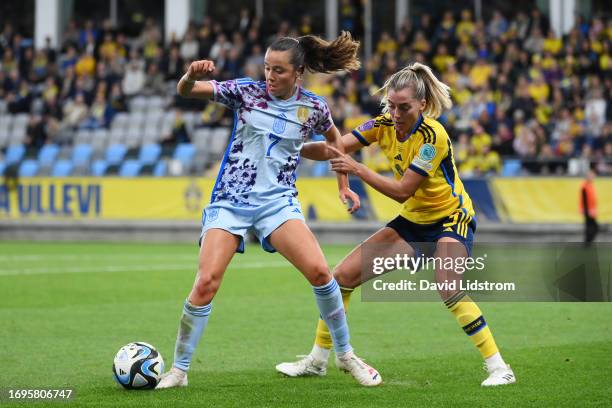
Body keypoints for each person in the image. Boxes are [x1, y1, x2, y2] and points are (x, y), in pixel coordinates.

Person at [156, 32, 382, 389]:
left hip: (277, 203)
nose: (270, 76)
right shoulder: (246, 92)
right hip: (230, 201)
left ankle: (345, 355)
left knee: (321, 272)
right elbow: (187, 92)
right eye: (267, 68)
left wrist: (343, 185)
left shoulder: (313, 107)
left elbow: (335, 141)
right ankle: (179, 370)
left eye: (278, 70)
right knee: (206, 283)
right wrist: (190, 76)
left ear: (298, 73)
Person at [276, 62, 516, 386]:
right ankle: (317, 360)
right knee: (341, 277)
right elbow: (336, 147)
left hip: (450, 219)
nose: (397, 113)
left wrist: (357, 170)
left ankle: (499, 367)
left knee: (448, 285)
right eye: (392, 105)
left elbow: (403, 191)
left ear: (422, 105)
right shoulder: (383, 123)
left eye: (404, 107)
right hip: (414, 222)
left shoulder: (433, 137)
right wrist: (290, 149)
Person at [580, 170, 598, 246]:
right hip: (588, 210)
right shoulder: (585, 186)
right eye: (591, 176)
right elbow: (584, 200)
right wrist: (587, 210)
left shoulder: (590, 185)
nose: (593, 177)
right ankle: (587, 242)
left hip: (590, 210)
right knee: (591, 226)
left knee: (592, 226)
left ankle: (588, 241)